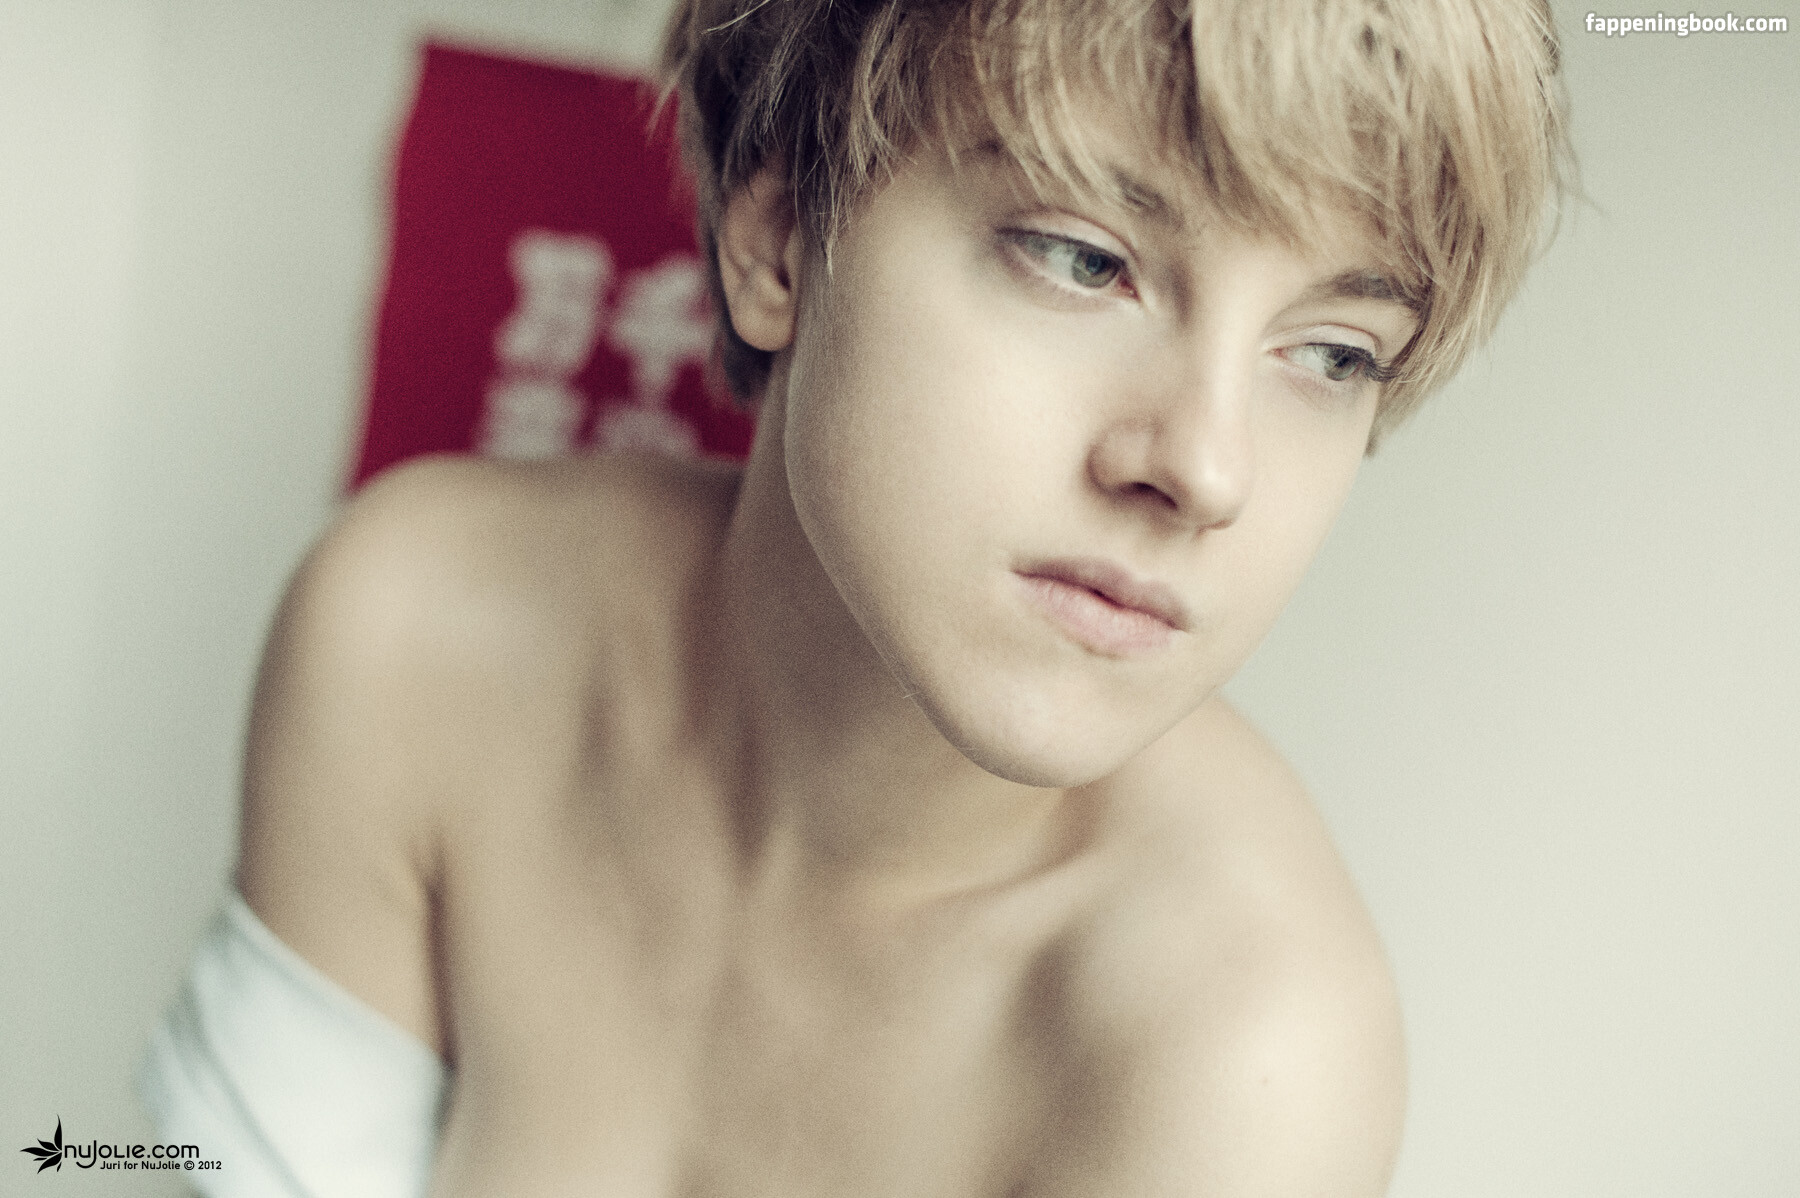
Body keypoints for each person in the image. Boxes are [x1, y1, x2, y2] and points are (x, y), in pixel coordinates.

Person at [140, 0, 1572, 1193]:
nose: (1206, 467)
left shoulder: (1239, 1050)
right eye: (1085, 258)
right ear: (775, 237)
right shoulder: (419, 633)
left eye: (1332, 352)